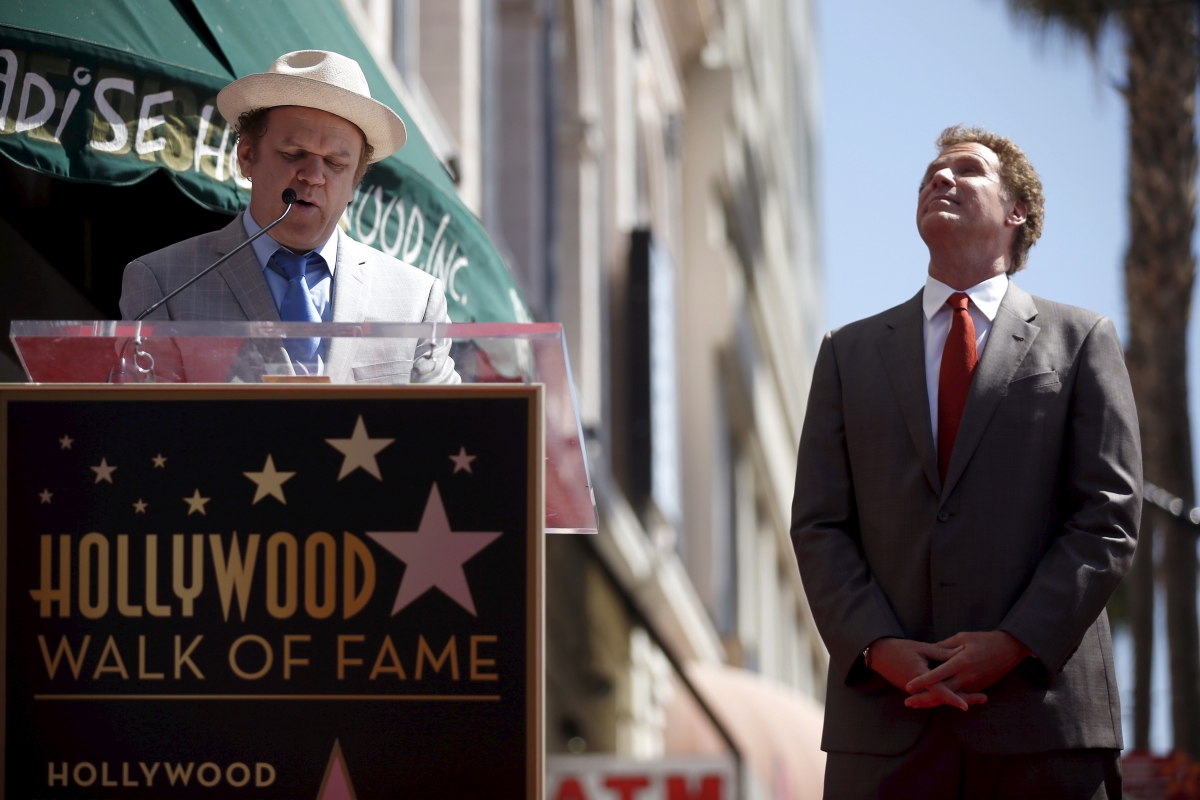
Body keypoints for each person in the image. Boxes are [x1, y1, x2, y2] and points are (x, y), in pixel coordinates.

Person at [790, 126, 1140, 798]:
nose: (939, 179)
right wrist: (877, 647)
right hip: (887, 731)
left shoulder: (1082, 340)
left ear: (1017, 214)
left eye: (966, 170)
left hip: (1043, 725)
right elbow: (819, 525)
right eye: (931, 172)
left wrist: (1013, 643)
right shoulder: (847, 353)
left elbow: (1107, 518)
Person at [119, 50, 458, 384]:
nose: (313, 175)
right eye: (294, 154)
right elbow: (149, 428)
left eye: (336, 164)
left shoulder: (416, 298)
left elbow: (450, 427)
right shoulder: (163, 283)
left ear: (356, 181)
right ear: (248, 155)